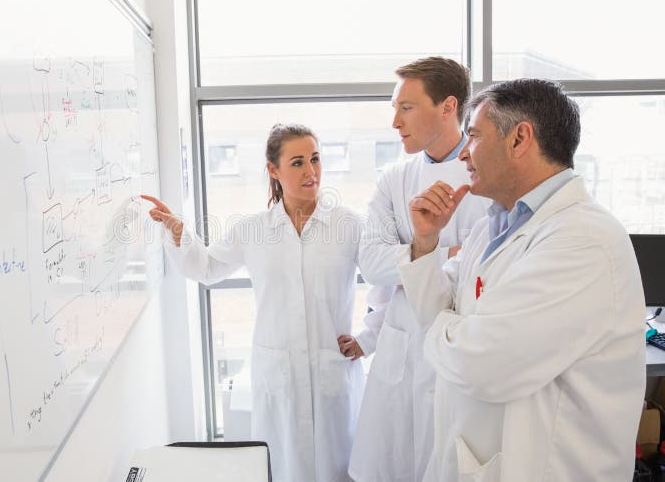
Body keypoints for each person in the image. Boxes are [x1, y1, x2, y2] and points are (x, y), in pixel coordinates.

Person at [399, 78, 646, 481]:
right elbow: (439, 315)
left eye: (474, 136)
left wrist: (448, 331)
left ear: (519, 139)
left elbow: (484, 365)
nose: (463, 153)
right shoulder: (492, 226)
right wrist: (426, 242)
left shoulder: (584, 241)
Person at [142, 123, 364, 482]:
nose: (311, 171)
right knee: (283, 466)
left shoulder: (350, 224)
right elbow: (208, 268)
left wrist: (368, 337)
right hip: (279, 375)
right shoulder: (253, 230)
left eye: (315, 159)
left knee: (338, 468)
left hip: (332, 375)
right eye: (297, 162)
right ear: (273, 171)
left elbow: (386, 278)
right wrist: (180, 232)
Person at [338, 57, 490, 482]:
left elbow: (493, 267)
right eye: (394, 108)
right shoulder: (395, 178)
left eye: (406, 107)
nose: (394, 122)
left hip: (462, 346)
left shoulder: (489, 177)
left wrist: (413, 255)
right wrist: (448, 252)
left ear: (447, 107)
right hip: (402, 347)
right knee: (395, 463)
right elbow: (371, 263)